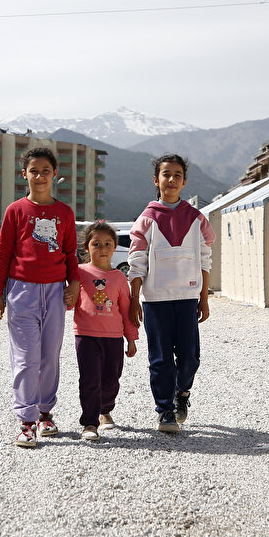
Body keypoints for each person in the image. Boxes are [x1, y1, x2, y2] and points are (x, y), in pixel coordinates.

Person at [0, 147, 80, 448]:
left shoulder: (65, 213)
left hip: (55, 291)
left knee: (49, 357)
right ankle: (26, 422)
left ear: (55, 174)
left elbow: (70, 253)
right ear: (24, 174)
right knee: (26, 358)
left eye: (45, 170)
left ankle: (45, 413)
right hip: (22, 290)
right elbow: (2, 253)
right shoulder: (15, 210)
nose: (39, 176)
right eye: (33, 171)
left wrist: (74, 283)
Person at [127, 154, 215, 434]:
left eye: (177, 175)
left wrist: (204, 299)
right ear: (157, 180)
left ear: (184, 181)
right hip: (156, 301)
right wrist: (134, 299)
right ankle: (164, 409)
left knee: (190, 357)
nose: (172, 179)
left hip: (188, 298)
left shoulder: (196, 219)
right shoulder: (147, 219)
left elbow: (204, 259)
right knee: (160, 359)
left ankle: (183, 393)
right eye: (166, 174)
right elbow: (137, 261)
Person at [73, 221, 138, 441]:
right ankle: (89, 423)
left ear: (115, 247)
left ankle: (105, 410)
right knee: (89, 380)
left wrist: (131, 338)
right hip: (86, 336)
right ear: (86, 247)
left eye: (107, 244)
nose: (102, 249)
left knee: (111, 380)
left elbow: (126, 310)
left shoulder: (119, 278)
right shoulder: (79, 273)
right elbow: (69, 300)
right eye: (96, 244)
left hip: (113, 339)